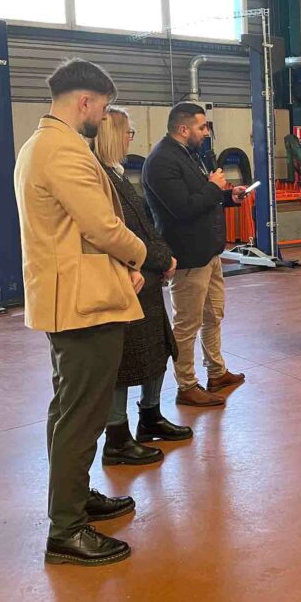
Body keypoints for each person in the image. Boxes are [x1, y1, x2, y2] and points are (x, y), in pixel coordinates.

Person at [14, 58, 146, 566]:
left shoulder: (39, 145)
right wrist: (142, 255)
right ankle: (67, 530)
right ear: (84, 102)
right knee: (82, 415)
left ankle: (74, 498)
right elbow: (102, 225)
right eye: (104, 107)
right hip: (81, 301)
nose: (104, 117)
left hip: (67, 294)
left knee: (68, 408)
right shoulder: (63, 151)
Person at [92, 108, 193, 466]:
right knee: (123, 365)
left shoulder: (118, 175)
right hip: (127, 283)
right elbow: (117, 234)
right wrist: (159, 260)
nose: (129, 139)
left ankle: (150, 417)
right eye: (128, 132)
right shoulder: (100, 177)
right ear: (113, 134)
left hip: (146, 279)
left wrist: (163, 258)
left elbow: (144, 227)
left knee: (156, 353)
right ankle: (117, 438)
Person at [143, 102, 248, 407]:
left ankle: (216, 371)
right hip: (188, 255)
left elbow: (203, 197)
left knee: (213, 315)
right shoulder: (162, 161)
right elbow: (183, 207)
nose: (206, 132)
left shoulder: (189, 155)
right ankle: (187, 385)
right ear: (184, 128)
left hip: (209, 251)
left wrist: (228, 196)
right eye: (202, 127)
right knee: (187, 324)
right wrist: (215, 188)